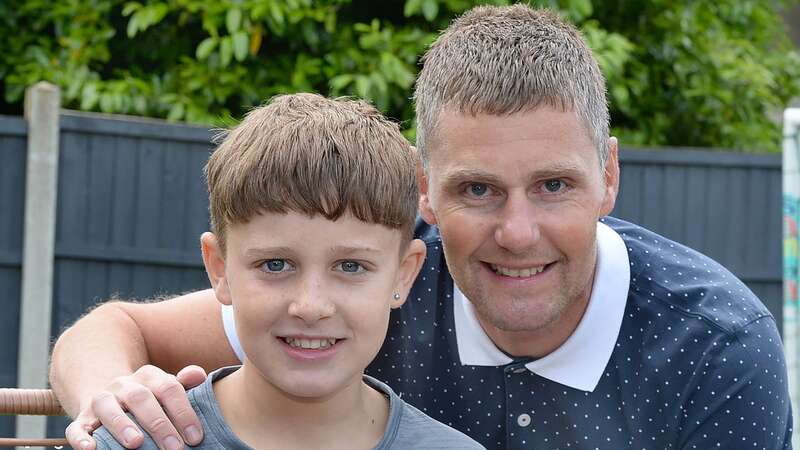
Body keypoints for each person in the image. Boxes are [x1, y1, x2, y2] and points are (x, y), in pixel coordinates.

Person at [51, 4, 792, 450]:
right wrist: (112, 401)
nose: (518, 230)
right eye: (477, 189)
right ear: (424, 193)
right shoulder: (366, 293)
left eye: (554, 185)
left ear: (610, 176)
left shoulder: (718, 349)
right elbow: (117, 329)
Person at [90, 92, 483, 449]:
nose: (310, 306)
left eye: (350, 266)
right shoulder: (132, 443)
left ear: (403, 275)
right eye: (275, 265)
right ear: (219, 268)